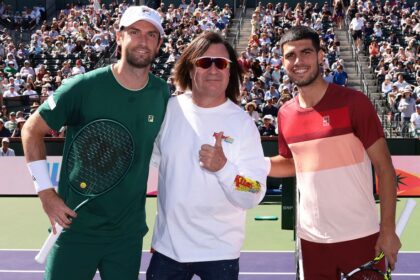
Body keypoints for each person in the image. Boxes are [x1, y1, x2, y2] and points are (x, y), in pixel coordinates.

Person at [21, 6, 168, 280]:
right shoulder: (83, 87)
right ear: (119, 36)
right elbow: (31, 129)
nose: (143, 40)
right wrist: (46, 193)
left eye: (151, 35)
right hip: (75, 229)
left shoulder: (162, 93)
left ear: (159, 44)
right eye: (134, 32)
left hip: (127, 235)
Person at [268, 26, 400, 279]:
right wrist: (248, 164)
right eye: (290, 56)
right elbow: (291, 164)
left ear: (320, 56)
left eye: (306, 52)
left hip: (361, 235)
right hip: (311, 239)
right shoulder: (285, 114)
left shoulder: (355, 103)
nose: (298, 61)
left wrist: (388, 230)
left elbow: (385, 170)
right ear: (282, 62)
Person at [146, 31, 268, 280]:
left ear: (229, 71)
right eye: (204, 62)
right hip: (168, 251)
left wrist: (224, 169)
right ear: (190, 69)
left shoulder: (243, 124)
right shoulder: (169, 109)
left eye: (221, 63)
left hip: (220, 254)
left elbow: (255, 191)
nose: (214, 69)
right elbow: (149, 166)